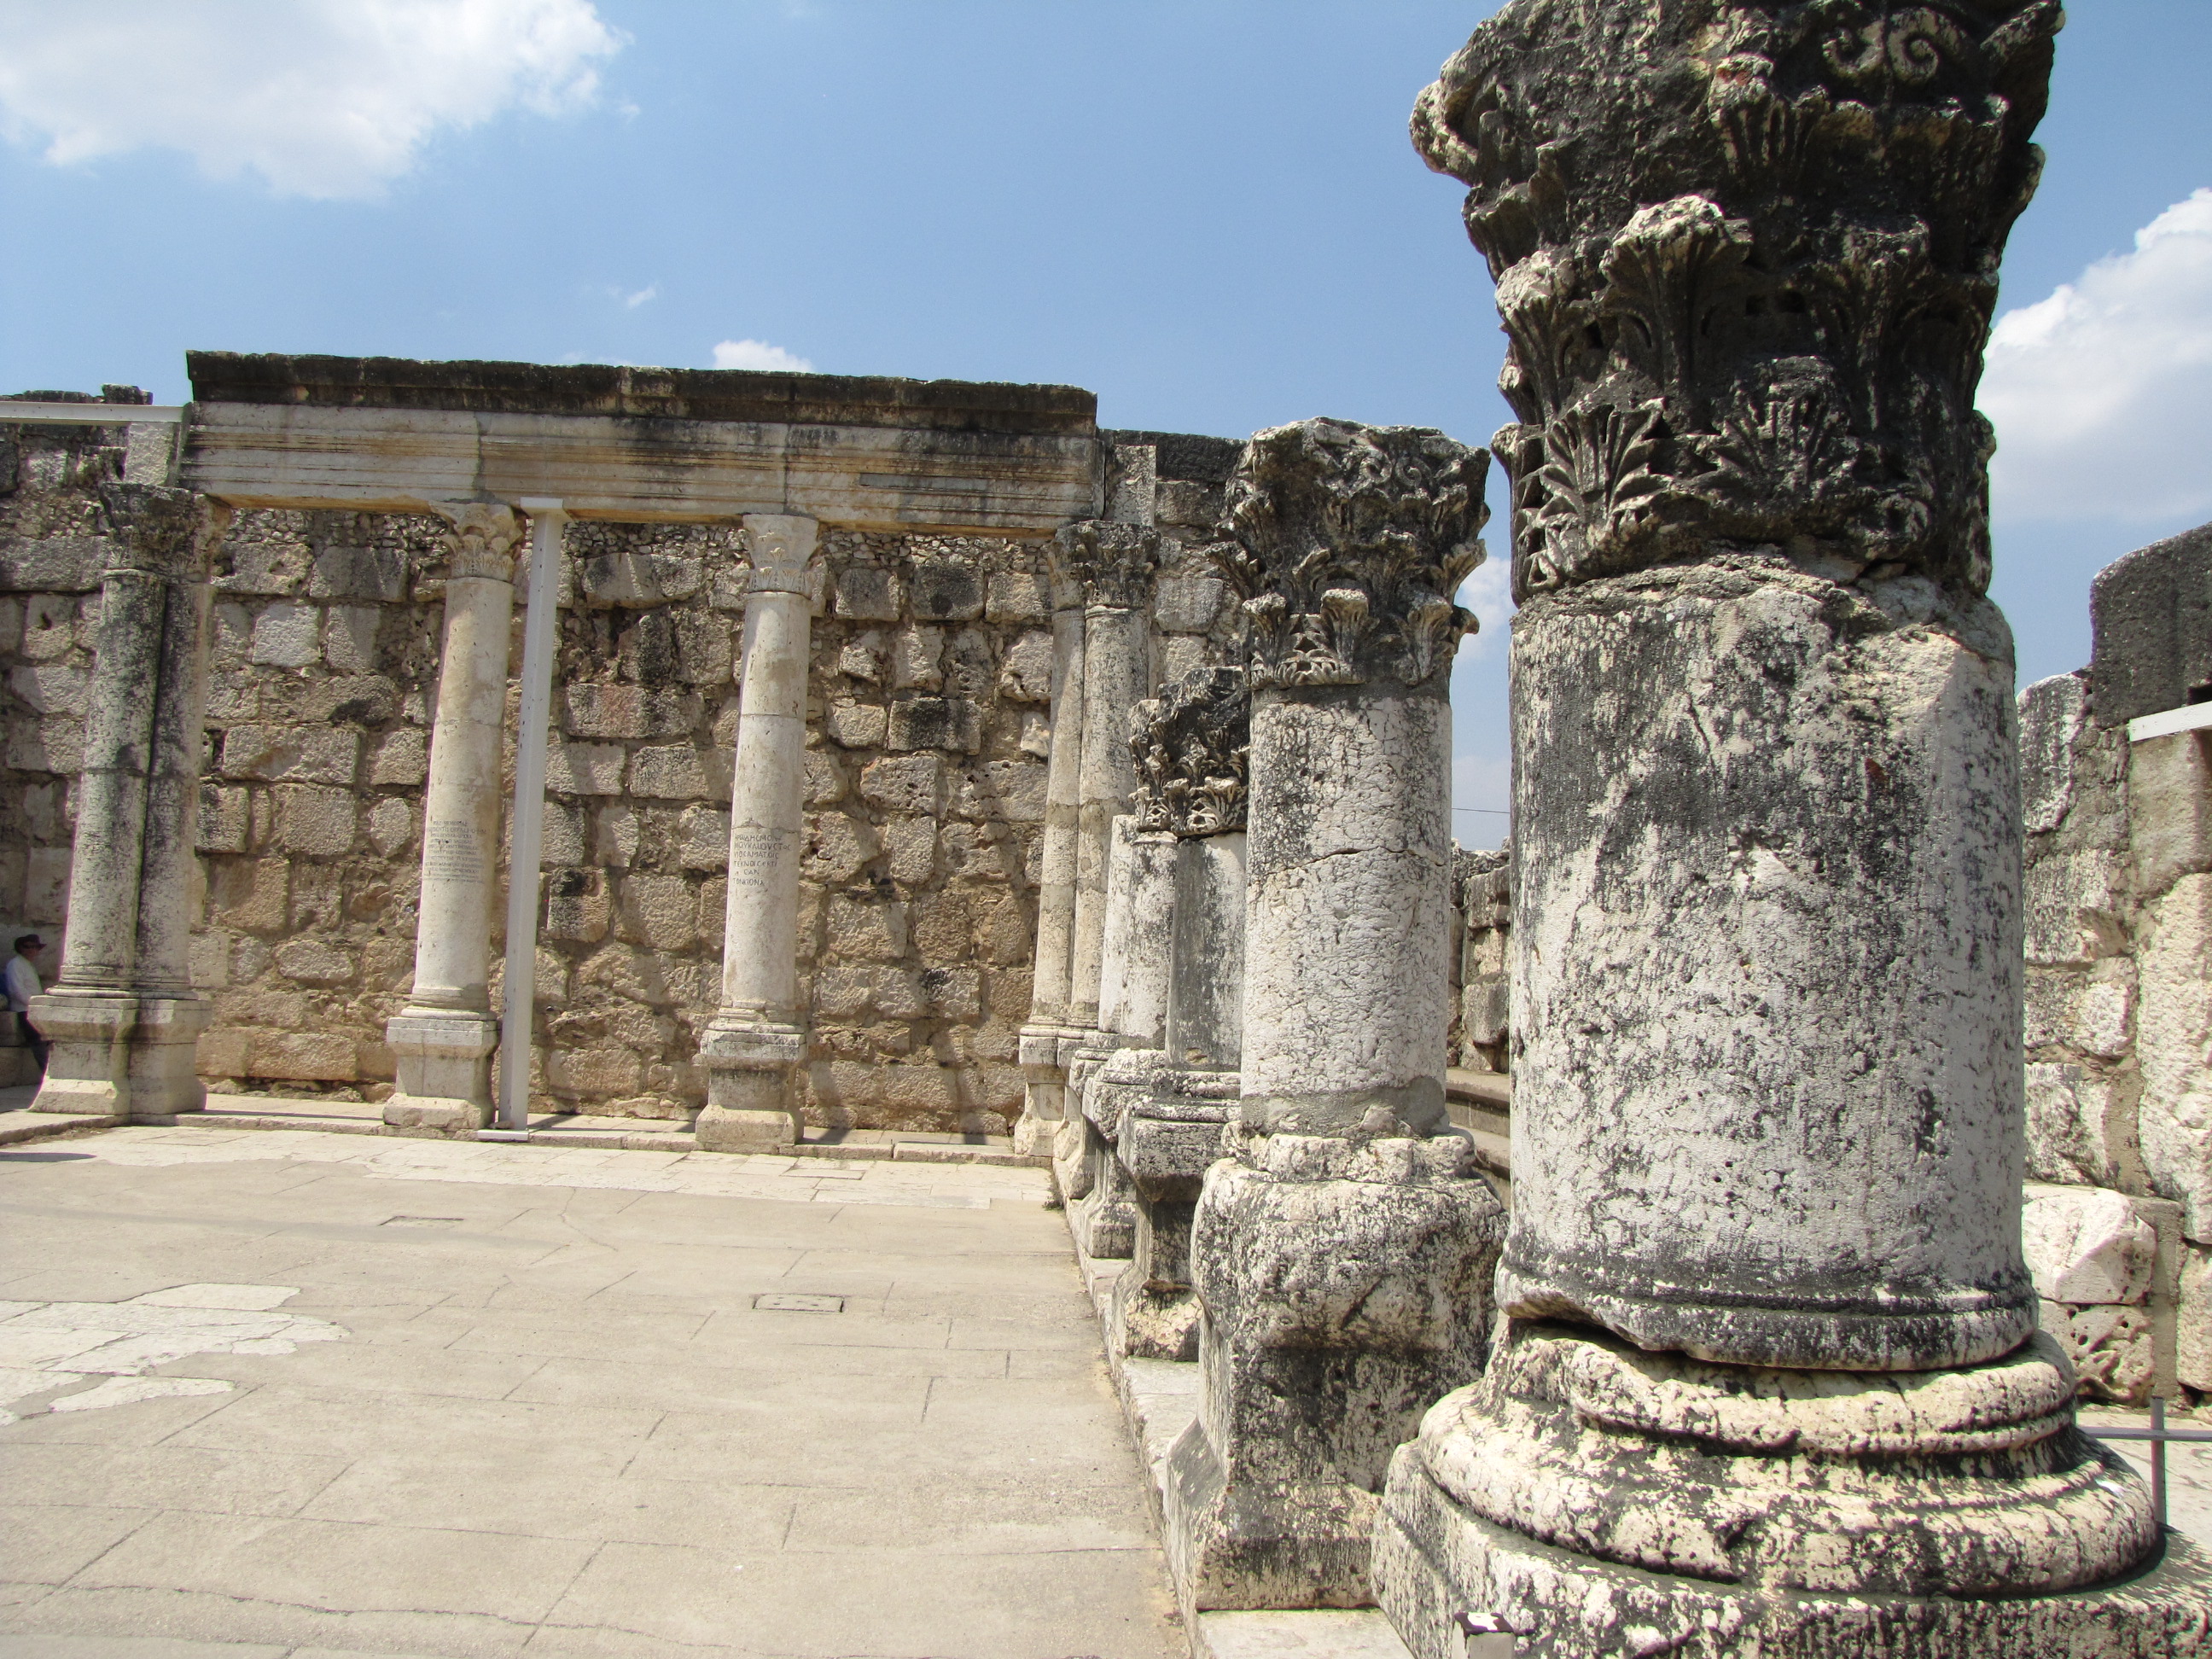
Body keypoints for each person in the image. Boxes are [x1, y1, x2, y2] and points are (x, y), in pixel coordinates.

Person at [6, 934, 48, 1074]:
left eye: (34, 947)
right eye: (27, 947)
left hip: (34, 1009)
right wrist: (34, 1004)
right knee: (38, 1042)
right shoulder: (15, 964)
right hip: (24, 1010)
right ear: (20, 948)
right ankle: (46, 1072)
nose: (31, 950)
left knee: (43, 1041)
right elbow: (16, 990)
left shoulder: (28, 965)